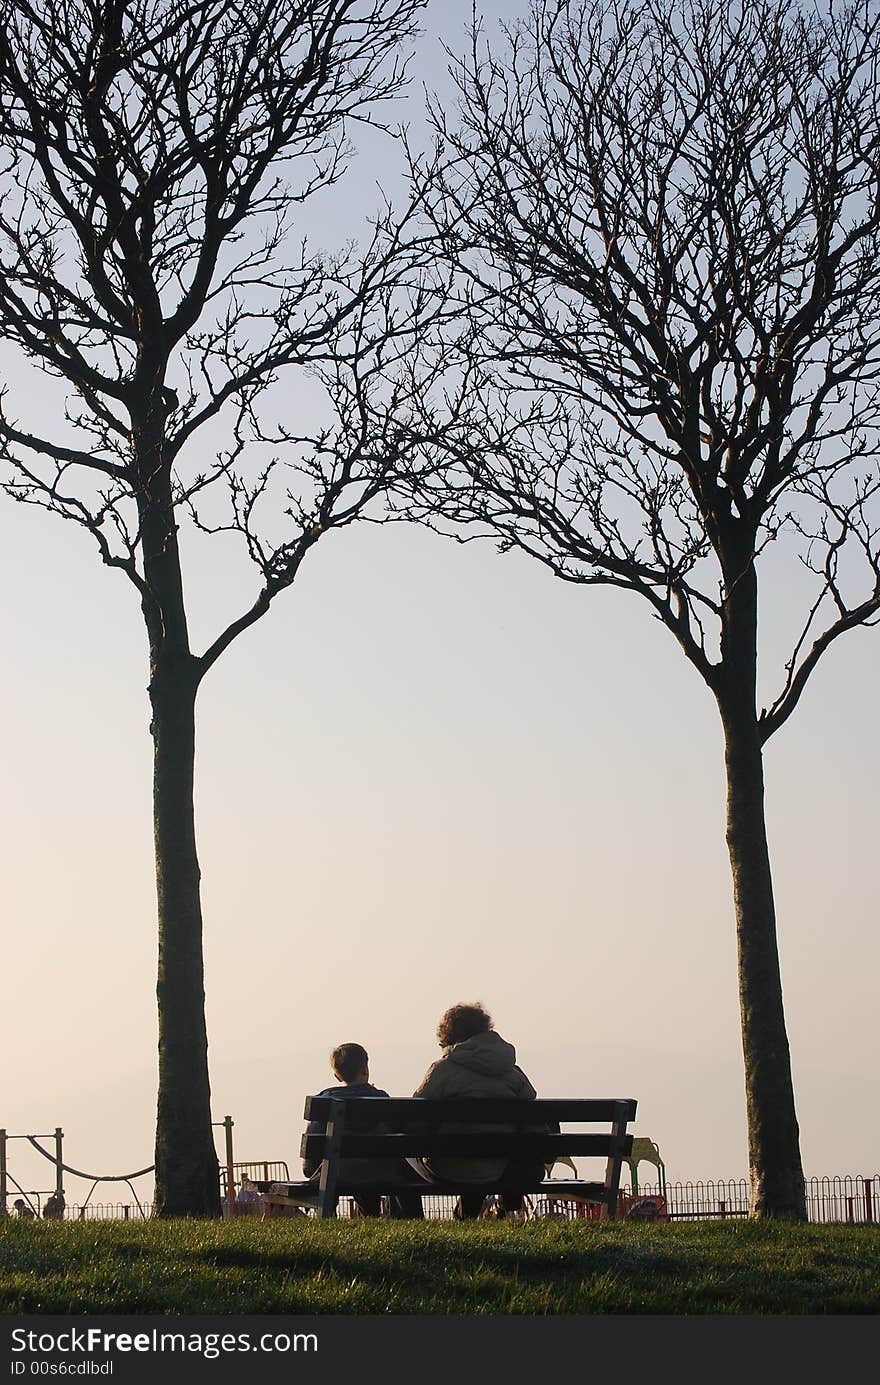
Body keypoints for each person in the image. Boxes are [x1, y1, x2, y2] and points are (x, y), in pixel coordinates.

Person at [410, 1002, 546, 1219]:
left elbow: (413, 1118)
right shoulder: (511, 1072)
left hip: (450, 1167)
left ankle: (412, 1220)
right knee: (484, 1153)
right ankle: (482, 1209)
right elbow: (532, 1108)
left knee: (404, 1150)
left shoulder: (443, 1070)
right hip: (500, 1164)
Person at [302, 1042, 423, 1219]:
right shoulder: (381, 1099)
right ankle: (370, 1217)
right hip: (380, 1172)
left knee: (342, 1171)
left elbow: (310, 1162)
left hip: (337, 1174)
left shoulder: (325, 1103)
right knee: (368, 1169)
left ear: (337, 1076)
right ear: (365, 1068)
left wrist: (312, 1169)